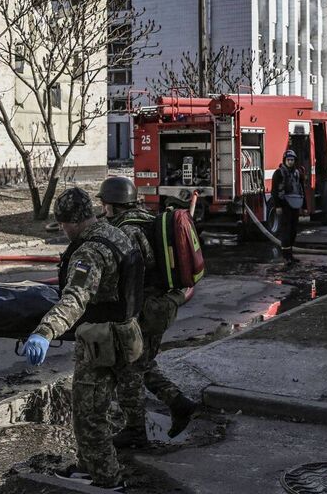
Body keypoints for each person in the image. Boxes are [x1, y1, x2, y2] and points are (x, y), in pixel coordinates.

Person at [19, 187, 144, 492]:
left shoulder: (88, 251)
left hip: (101, 343)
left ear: (73, 222)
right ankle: (88, 466)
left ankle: (107, 480)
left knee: (89, 415)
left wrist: (44, 332)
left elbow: (76, 297)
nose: (63, 231)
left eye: (62, 225)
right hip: (126, 333)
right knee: (103, 405)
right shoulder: (116, 234)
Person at [97, 176, 198, 448]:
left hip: (143, 309)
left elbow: (134, 272)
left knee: (128, 370)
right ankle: (179, 403)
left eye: (105, 204)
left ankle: (135, 431)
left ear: (111, 205)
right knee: (142, 363)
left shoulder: (125, 231)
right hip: (160, 306)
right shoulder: (146, 217)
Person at [270, 149, 307, 262]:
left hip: (295, 206)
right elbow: (274, 191)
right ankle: (286, 256)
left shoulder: (297, 173)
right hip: (284, 205)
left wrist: (304, 207)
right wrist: (278, 206)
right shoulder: (279, 173)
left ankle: (290, 255)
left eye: (292, 160)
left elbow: (302, 190)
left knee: (293, 231)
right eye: (288, 160)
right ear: (285, 160)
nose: (290, 162)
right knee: (286, 231)